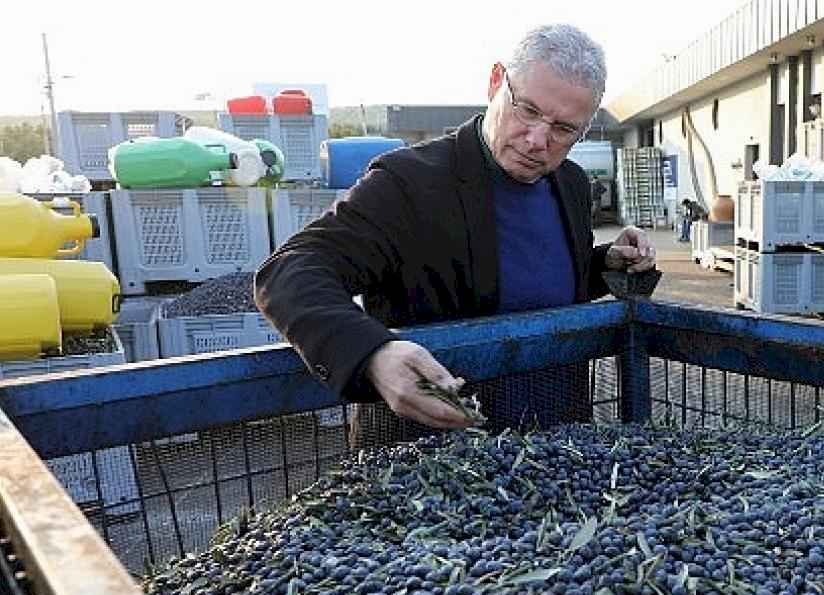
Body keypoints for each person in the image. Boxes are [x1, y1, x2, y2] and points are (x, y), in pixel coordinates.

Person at [254, 24, 655, 437]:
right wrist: (373, 353)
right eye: (528, 110)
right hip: (434, 463)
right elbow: (289, 271)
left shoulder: (570, 183)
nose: (538, 139)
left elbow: (536, 281)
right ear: (496, 81)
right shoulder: (408, 182)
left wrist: (604, 263)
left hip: (553, 444)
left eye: (563, 129)